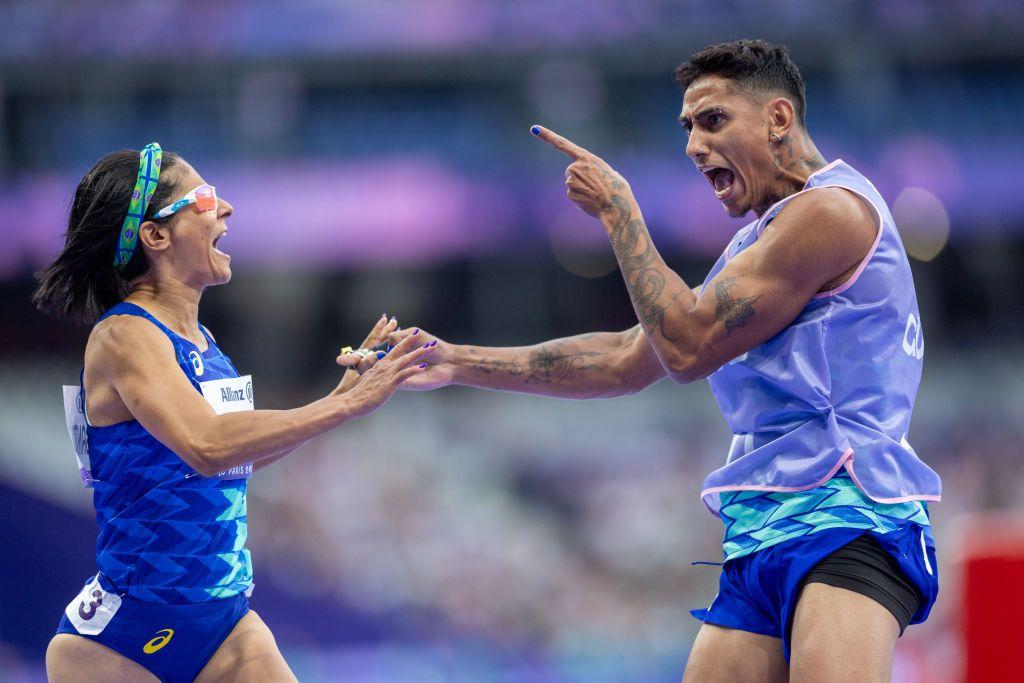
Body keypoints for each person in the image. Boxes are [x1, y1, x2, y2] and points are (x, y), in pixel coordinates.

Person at [384, 40, 940, 682]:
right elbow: (627, 358)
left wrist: (620, 213)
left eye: (713, 121)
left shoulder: (831, 213)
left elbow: (687, 347)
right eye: (687, 128)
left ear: (778, 119)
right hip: (765, 528)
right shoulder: (758, 244)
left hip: (851, 514)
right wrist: (453, 360)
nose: (694, 145)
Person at [34, 143, 436, 682]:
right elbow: (208, 446)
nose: (226, 209)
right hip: (121, 641)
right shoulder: (123, 335)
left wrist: (342, 400)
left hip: (224, 625)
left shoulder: (205, 344)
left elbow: (231, 459)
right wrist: (343, 408)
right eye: (205, 198)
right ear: (155, 235)